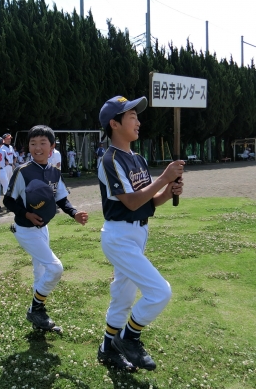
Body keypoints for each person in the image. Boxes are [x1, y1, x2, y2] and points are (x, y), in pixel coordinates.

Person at [96, 96, 184, 372]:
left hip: (138, 234)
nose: (138, 121)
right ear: (114, 123)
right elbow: (131, 202)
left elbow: (148, 202)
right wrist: (164, 178)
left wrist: (168, 193)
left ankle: (107, 349)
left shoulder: (138, 158)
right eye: (132, 116)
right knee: (159, 292)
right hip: (119, 237)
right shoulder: (109, 159)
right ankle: (128, 337)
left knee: (122, 297)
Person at [3, 125, 88, 331]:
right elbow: (9, 200)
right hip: (25, 229)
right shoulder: (22, 171)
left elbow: (61, 198)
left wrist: (74, 213)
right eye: (33, 143)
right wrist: (26, 214)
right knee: (55, 268)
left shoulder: (54, 172)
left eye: (43, 143)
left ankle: (38, 320)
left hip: (43, 229)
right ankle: (35, 309)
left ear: (52, 148)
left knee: (39, 273)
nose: (37, 147)